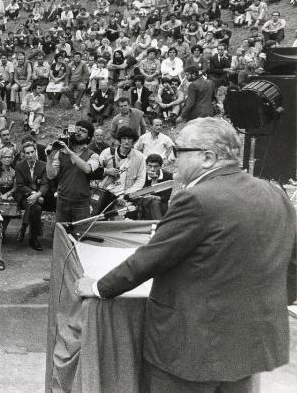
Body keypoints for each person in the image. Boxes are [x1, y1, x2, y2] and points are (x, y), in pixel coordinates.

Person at [76, 117, 296, 392]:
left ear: (207, 157)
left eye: (179, 151)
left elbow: (148, 260)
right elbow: (294, 262)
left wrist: (98, 287)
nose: (173, 159)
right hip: (248, 347)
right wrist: (269, 301)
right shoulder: (275, 193)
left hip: (189, 349)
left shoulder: (196, 199)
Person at [46, 120, 103, 223]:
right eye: (77, 130)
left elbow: (87, 169)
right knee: (62, 232)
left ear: (89, 136)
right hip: (62, 200)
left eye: (83, 131)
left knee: (80, 233)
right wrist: (49, 157)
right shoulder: (61, 152)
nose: (79, 133)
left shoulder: (93, 155)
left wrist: (70, 153)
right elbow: (51, 175)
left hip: (81, 202)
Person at [15, 141, 49, 251]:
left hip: (39, 196)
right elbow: (20, 185)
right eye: (27, 153)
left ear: (35, 152)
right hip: (24, 196)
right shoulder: (20, 166)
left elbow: (45, 184)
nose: (30, 155)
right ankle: (33, 239)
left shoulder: (43, 165)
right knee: (37, 208)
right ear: (24, 154)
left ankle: (24, 227)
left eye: (32, 152)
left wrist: (38, 194)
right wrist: (35, 195)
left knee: (36, 207)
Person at [99, 127, 146, 198]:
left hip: (127, 194)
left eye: (129, 138)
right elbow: (95, 170)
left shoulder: (139, 157)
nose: (126, 141)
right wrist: (107, 171)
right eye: (124, 138)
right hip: (105, 193)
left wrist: (128, 194)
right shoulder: (107, 153)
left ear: (133, 140)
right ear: (119, 140)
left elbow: (141, 179)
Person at [137, 153, 174, 220]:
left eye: (155, 166)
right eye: (150, 166)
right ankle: (159, 224)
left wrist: (154, 195)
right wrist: (153, 183)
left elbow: (166, 197)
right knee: (152, 201)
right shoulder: (142, 176)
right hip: (144, 203)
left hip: (161, 204)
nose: (152, 169)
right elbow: (140, 194)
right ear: (146, 165)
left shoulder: (167, 176)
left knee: (154, 202)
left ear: (160, 166)